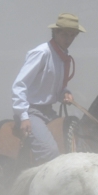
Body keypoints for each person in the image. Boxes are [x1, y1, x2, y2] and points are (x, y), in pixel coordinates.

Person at [12, 13, 85, 165]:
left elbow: (55, 88)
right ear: (56, 32)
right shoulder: (42, 53)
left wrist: (64, 93)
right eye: (65, 34)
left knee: (76, 141)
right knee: (50, 152)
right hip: (31, 111)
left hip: (48, 112)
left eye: (72, 35)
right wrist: (24, 116)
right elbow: (20, 84)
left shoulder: (62, 56)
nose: (68, 39)